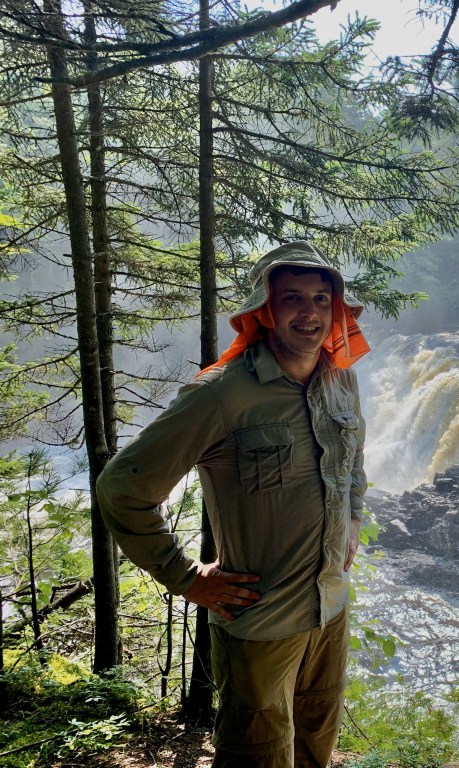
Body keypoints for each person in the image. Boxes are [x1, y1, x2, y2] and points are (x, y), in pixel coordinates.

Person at [97, 240, 371, 768]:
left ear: (335, 309)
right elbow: (121, 489)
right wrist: (187, 578)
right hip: (261, 623)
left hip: (331, 608)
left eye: (321, 298)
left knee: (317, 745)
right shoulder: (221, 394)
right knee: (257, 757)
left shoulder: (341, 378)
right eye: (292, 298)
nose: (309, 312)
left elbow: (354, 456)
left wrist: (353, 516)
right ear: (265, 308)